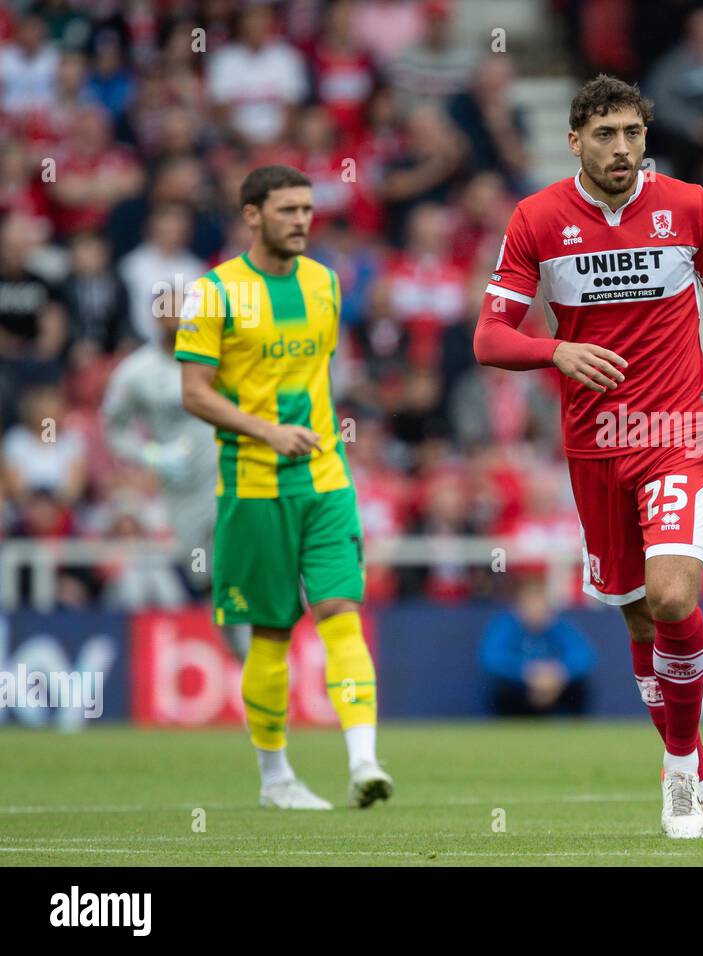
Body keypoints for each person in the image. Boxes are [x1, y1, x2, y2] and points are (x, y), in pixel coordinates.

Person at [473, 75, 703, 839]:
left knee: (669, 596)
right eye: (605, 134)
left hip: (675, 436)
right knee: (635, 616)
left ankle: (678, 771)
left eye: (632, 132)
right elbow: (489, 337)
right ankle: (702, 777)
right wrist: (556, 350)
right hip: (595, 445)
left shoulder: (690, 206)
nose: (622, 147)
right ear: (574, 142)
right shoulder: (535, 220)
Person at [175, 165, 393, 810]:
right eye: (287, 209)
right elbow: (194, 394)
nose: (302, 220)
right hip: (252, 486)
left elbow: (321, 379)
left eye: (307, 208)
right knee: (271, 633)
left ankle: (364, 764)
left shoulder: (326, 284)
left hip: (326, 483)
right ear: (251, 215)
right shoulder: (214, 292)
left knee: (341, 615)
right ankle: (276, 779)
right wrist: (265, 431)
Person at [102, 291, 247, 659]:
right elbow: (113, 429)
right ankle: (240, 651)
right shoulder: (135, 374)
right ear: (155, 318)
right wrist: (153, 455)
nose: (176, 318)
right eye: (167, 311)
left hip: (230, 476)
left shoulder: (221, 356)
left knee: (235, 546)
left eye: (183, 310)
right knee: (205, 578)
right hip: (181, 492)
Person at [479, 576, 595, 716]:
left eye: (539, 603)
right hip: (519, 687)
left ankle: (575, 730)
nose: (535, 609)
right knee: (502, 689)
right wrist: (527, 672)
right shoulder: (505, 625)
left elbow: (584, 656)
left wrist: (558, 672)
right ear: (520, 605)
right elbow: (492, 658)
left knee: (579, 689)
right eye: (530, 603)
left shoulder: (560, 627)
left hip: (556, 685)